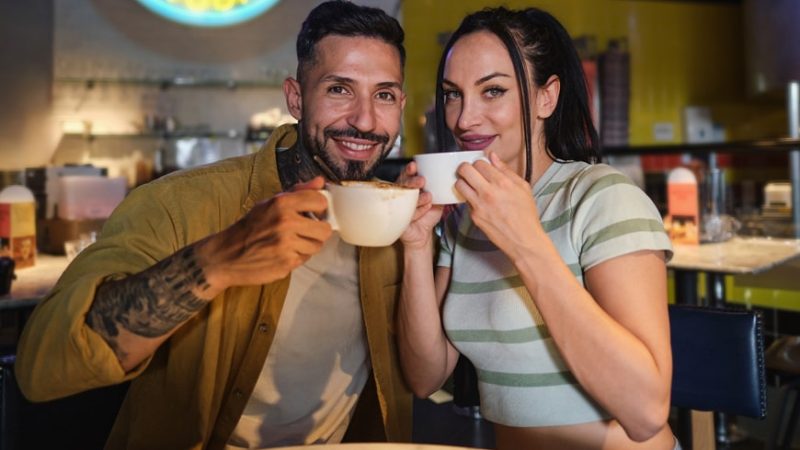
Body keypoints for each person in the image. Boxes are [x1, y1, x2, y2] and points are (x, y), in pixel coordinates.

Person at [15, 1, 413, 448]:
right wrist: (219, 259)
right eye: (340, 89)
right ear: (296, 98)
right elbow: (42, 368)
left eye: (384, 95)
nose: (365, 120)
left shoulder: (400, 220)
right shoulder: (178, 203)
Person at [397, 7, 676, 450]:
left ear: (547, 97)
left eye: (493, 91)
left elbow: (644, 411)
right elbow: (424, 375)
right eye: (453, 94)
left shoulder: (602, 198)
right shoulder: (467, 214)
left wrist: (527, 243)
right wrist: (414, 245)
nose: (464, 118)